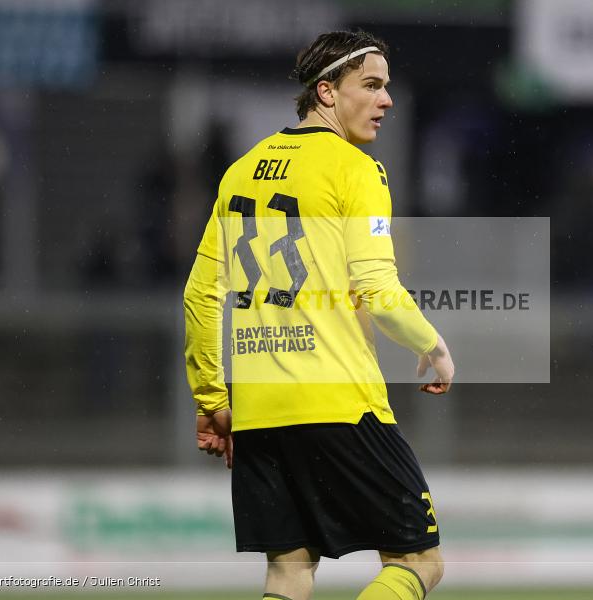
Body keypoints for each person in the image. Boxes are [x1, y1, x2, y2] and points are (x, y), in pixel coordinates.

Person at [183, 30, 454, 600]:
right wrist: (431, 344)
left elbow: (201, 295)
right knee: (419, 560)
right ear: (326, 93)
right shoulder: (355, 169)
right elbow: (377, 287)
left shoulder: (239, 172)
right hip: (338, 402)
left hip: (259, 411)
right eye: (372, 85)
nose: (387, 100)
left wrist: (213, 399)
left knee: (290, 573)